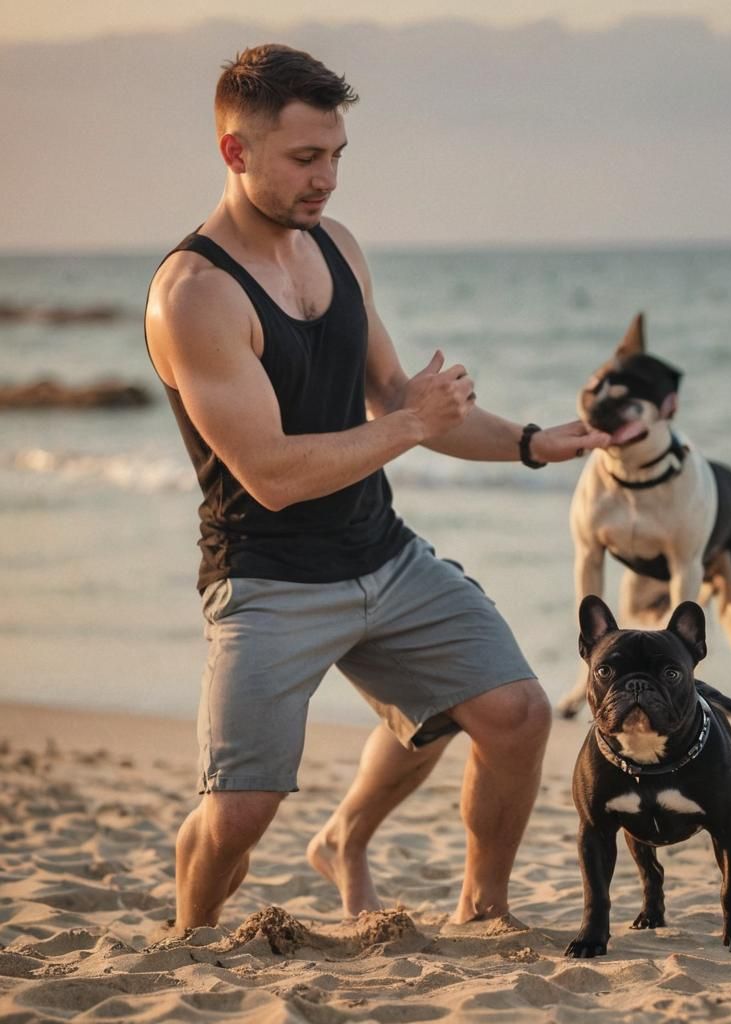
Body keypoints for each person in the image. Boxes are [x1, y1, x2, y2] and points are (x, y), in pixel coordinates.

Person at [144, 43, 608, 932]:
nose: (327, 179)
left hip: (382, 557)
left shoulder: (338, 248)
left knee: (515, 715)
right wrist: (410, 426)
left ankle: (484, 911)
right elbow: (273, 476)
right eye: (305, 158)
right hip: (269, 577)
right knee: (240, 813)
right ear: (236, 154)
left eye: (337, 156)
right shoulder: (196, 294)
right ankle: (190, 936)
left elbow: (398, 397)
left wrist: (534, 443)